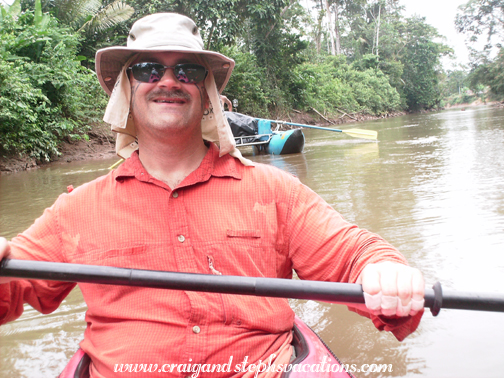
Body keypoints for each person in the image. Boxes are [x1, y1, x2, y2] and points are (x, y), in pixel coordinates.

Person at [0, 13, 425, 378]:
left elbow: (353, 254)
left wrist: (384, 271)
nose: (168, 81)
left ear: (207, 92)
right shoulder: (78, 209)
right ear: (126, 88)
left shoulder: (273, 190)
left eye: (187, 70)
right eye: (148, 69)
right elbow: (13, 287)